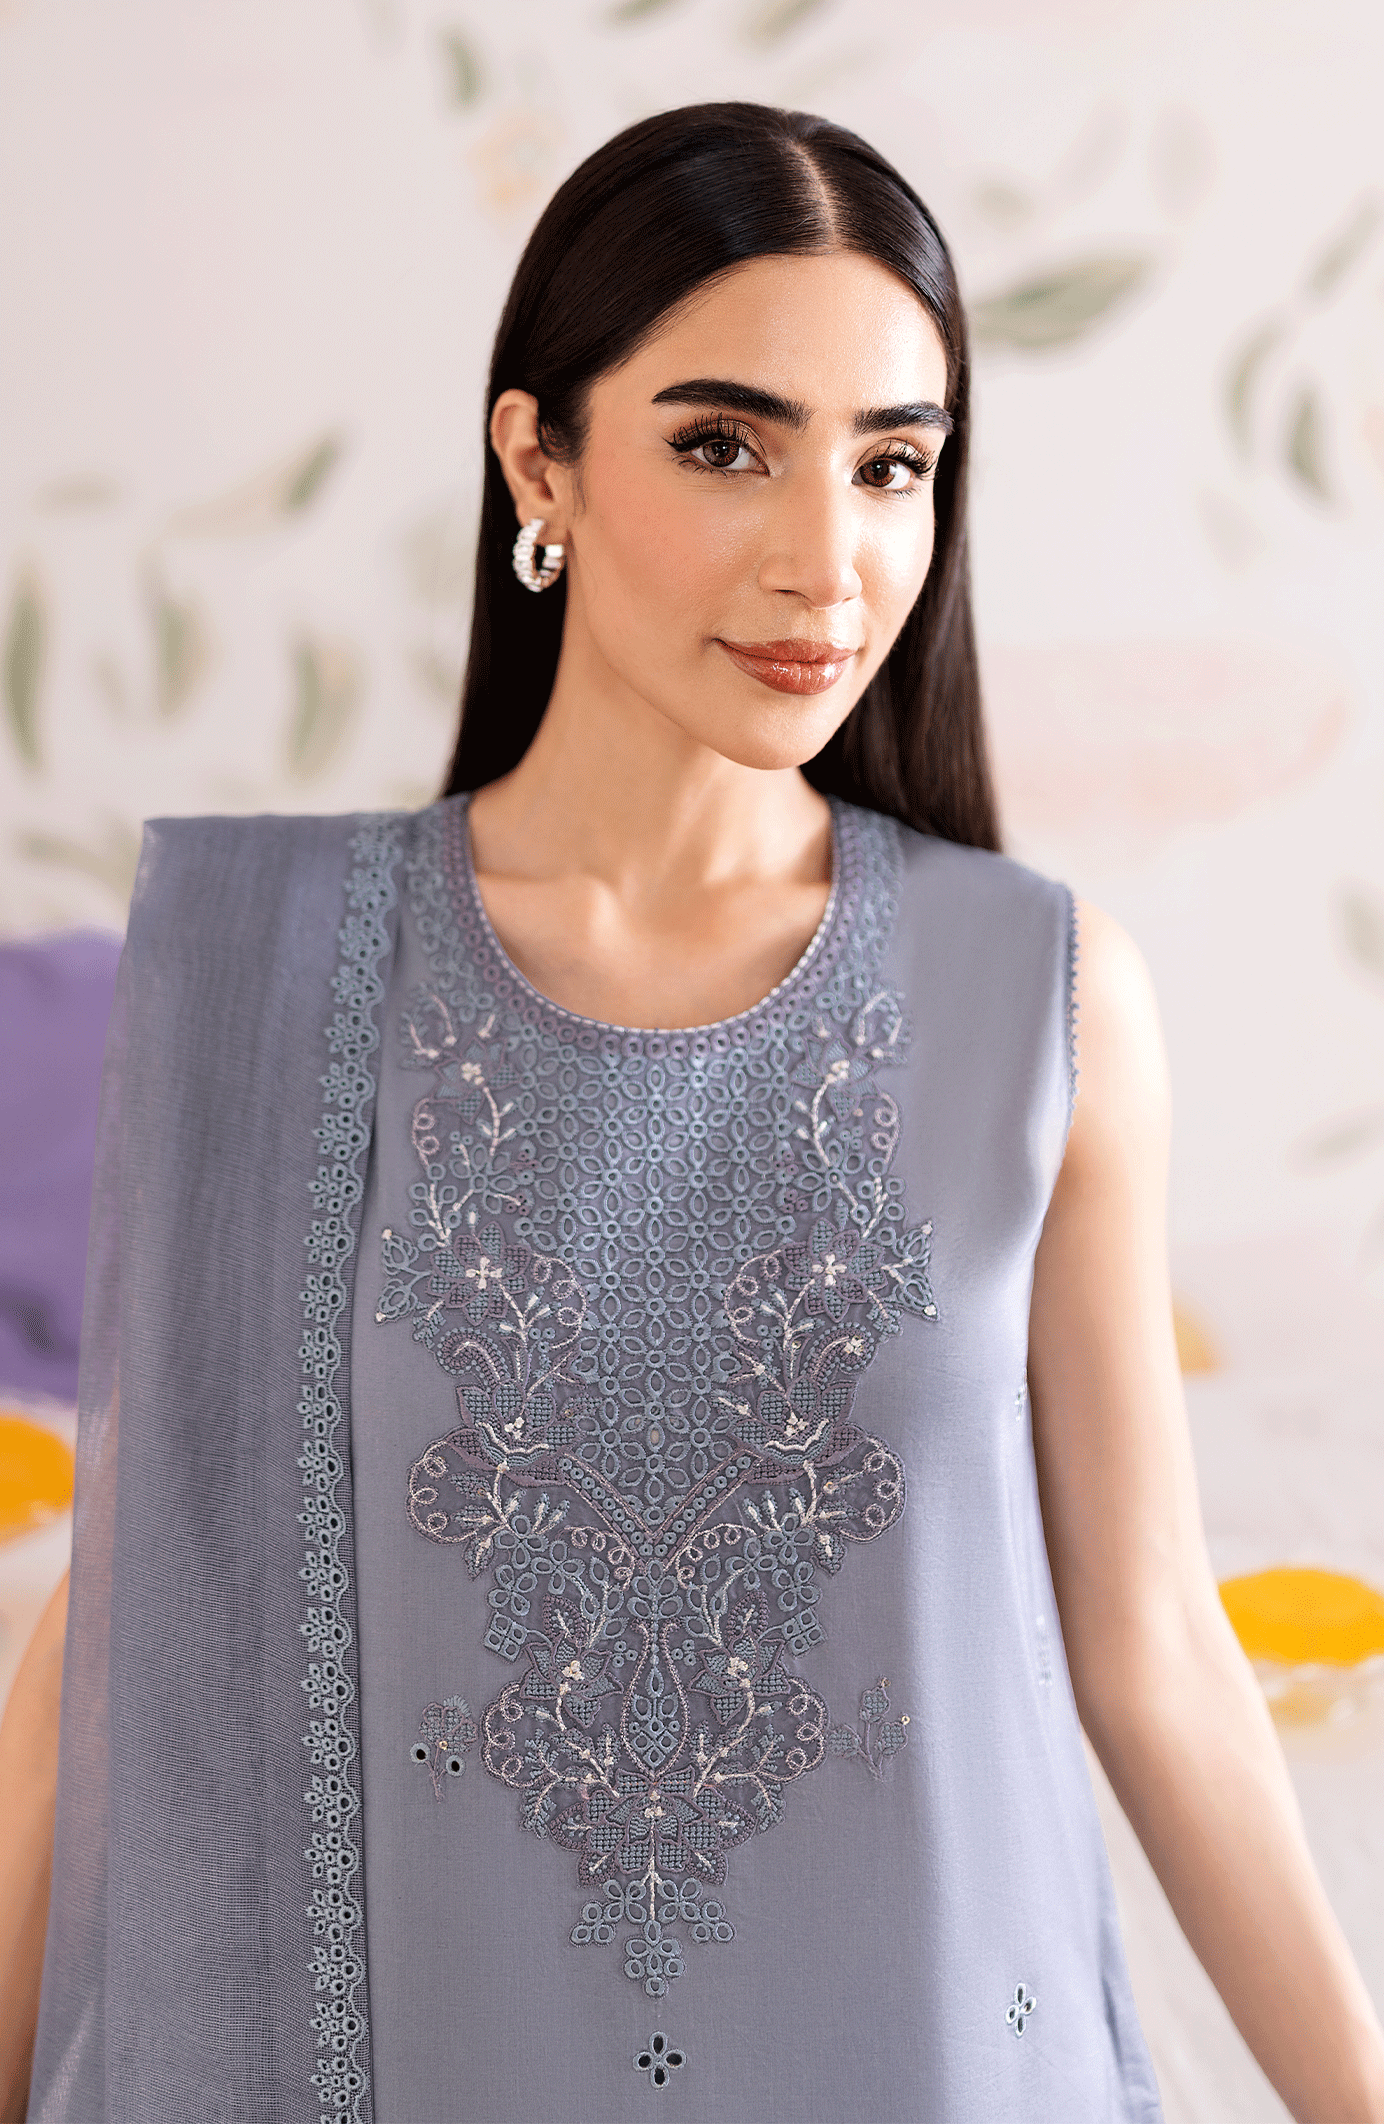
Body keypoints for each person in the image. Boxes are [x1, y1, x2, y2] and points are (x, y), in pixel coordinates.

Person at [3, 100, 1382, 2125]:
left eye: (890, 464)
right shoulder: (254, 978)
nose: (826, 559)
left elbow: (1157, 1653)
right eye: (725, 445)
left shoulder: (1046, 998)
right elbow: (112, 1638)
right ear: (537, 461)